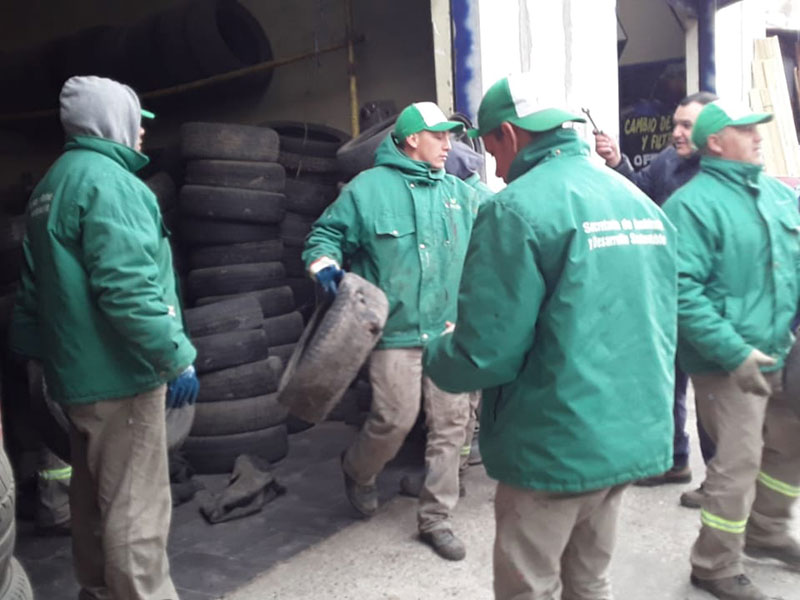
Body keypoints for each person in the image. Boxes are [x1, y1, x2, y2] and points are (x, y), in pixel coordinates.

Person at [423, 73, 677, 598]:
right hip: (629, 434)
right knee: (591, 579)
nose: (495, 166)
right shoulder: (637, 201)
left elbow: (486, 353)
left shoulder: (514, 209)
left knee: (529, 585)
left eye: (491, 146)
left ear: (509, 134)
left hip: (554, 444)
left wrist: (437, 352)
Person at [9, 75, 198, 600]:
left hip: (76, 377)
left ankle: (97, 591)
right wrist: (175, 356)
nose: (142, 133)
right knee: (137, 511)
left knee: (93, 499)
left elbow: (32, 292)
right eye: (136, 121)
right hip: (123, 376)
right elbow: (128, 290)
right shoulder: (112, 185)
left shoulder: (51, 186)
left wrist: (37, 364)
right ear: (109, 120)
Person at [302, 102, 481, 561]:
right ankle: (357, 470)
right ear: (411, 138)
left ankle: (436, 518)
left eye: (450, 136)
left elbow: (501, 232)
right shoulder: (367, 191)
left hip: (447, 332)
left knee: (451, 425)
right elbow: (324, 236)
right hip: (395, 333)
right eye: (439, 135)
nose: (448, 144)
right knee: (394, 419)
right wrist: (325, 266)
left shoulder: (461, 194)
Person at [662, 100, 800, 600]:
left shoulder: (779, 195)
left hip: (782, 349)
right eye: (745, 130)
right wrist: (732, 351)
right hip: (726, 362)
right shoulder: (690, 207)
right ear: (716, 143)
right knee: (737, 464)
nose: (758, 137)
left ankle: (767, 531)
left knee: (790, 445)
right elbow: (681, 292)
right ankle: (714, 564)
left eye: (757, 129)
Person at [596, 91, 719, 500]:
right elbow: (639, 194)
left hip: (705, 300)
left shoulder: (722, 174)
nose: (677, 132)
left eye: (687, 126)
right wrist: (617, 161)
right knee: (667, 382)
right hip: (666, 291)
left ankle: (719, 480)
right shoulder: (668, 161)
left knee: (711, 396)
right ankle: (674, 460)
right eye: (676, 124)